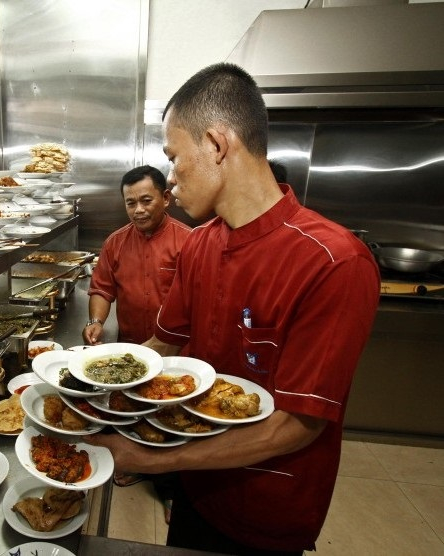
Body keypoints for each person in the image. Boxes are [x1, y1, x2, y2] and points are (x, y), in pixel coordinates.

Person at [85, 63, 380, 555]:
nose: (172, 180)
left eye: (175, 158)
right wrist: (89, 386)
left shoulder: (333, 261)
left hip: (265, 503)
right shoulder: (200, 246)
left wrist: (146, 458)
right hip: (197, 484)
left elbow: (295, 424)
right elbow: (161, 346)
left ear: (217, 145)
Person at [83, 165, 191, 345]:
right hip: (129, 347)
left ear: (165, 198)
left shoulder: (189, 241)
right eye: (131, 203)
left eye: (146, 201)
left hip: (175, 348)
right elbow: (102, 289)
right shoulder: (114, 242)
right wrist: (96, 322)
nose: (138, 210)